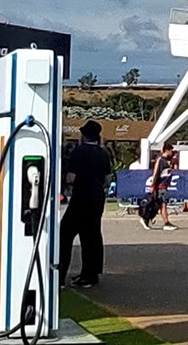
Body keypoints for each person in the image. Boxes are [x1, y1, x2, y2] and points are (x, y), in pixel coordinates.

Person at [61, 120, 114, 288]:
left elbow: (71, 177)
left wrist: (68, 186)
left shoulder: (78, 152)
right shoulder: (103, 153)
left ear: (83, 135)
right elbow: (107, 179)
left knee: (65, 235)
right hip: (97, 197)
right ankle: (90, 274)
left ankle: (60, 273)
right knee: (92, 235)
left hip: (81, 195)